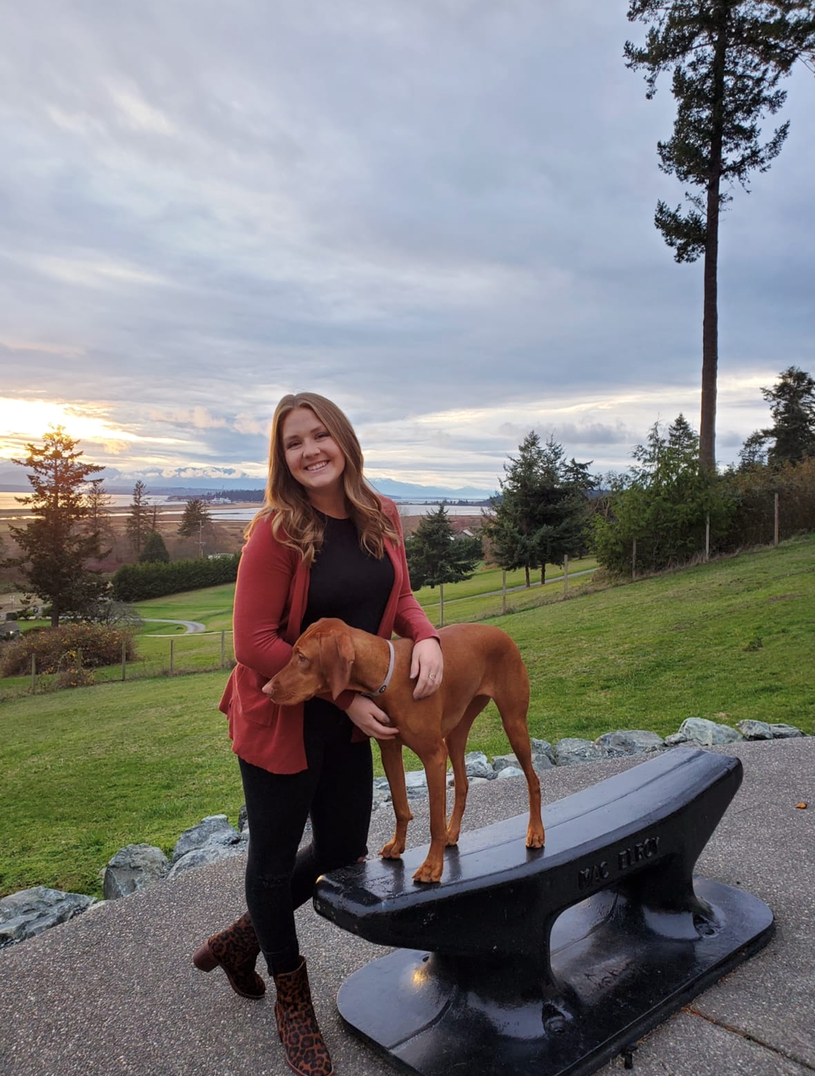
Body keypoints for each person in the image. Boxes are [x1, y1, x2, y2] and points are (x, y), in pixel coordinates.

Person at [192, 392, 443, 1076]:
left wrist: (424, 638)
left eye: (318, 435)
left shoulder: (381, 513)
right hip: (281, 711)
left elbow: (402, 595)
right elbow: (252, 642)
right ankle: (290, 995)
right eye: (293, 443)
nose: (308, 451)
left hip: (346, 714)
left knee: (340, 847)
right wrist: (348, 699)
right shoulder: (277, 530)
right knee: (272, 863)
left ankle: (244, 936)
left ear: (343, 439)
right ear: (283, 459)